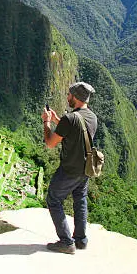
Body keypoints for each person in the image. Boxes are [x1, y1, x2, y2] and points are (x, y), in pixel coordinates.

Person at [42, 82, 97, 255]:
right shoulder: (92, 117)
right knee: (80, 199)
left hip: (69, 170)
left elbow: (50, 143)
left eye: (69, 95)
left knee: (53, 199)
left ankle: (66, 242)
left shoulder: (70, 118)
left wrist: (47, 122)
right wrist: (59, 120)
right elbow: (76, 132)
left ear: (75, 97)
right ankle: (80, 240)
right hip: (85, 169)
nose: (67, 97)